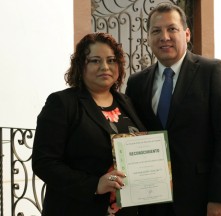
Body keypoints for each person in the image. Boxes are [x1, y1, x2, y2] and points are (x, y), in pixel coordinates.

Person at [126, 3, 221, 216]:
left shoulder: (212, 72)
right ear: (149, 38)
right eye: (156, 31)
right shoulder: (136, 83)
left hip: (200, 200)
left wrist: (220, 199)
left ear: (186, 34)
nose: (164, 37)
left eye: (172, 29)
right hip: (151, 201)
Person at [32, 33, 146, 216]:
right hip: (77, 208)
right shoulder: (62, 103)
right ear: (80, 66)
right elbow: (43, 163)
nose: (105, 67)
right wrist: (95, 185)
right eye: (95, 61)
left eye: (111, 60)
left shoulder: (127, 103)